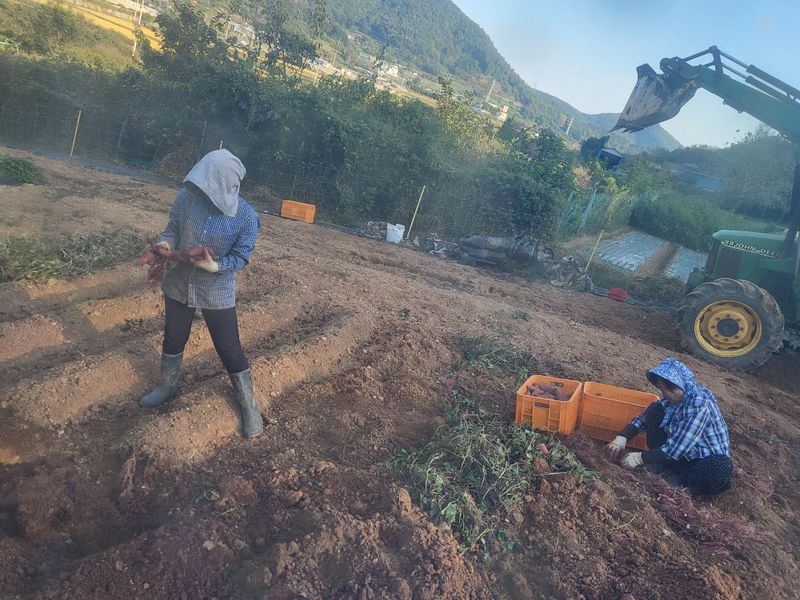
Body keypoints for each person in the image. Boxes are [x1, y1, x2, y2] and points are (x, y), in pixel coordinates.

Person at [139, 149, 264, 439]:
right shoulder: (187, 197)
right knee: (174, 336)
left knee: (228, 347)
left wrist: (215, 266)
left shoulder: (247, 217)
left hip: (216, 289)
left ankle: (249, 405)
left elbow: (242, 257)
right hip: (179, 282)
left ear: (225, 185)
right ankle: (167, 386)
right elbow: (172, 229)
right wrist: (165, 244)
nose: (201, 191)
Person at [605, 358, 732, 496]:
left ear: (681, 385)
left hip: (700, 463)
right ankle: (666, 467)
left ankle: (684, 482)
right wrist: (622, 437)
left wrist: (640, 458)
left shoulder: (699, 405)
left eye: (669, 390)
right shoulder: (674, 400)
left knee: (720, 465)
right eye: (662, 390)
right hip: (680, 458)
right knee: (655, 409)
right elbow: (644, 419)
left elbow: (676, 449)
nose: (665, 394)